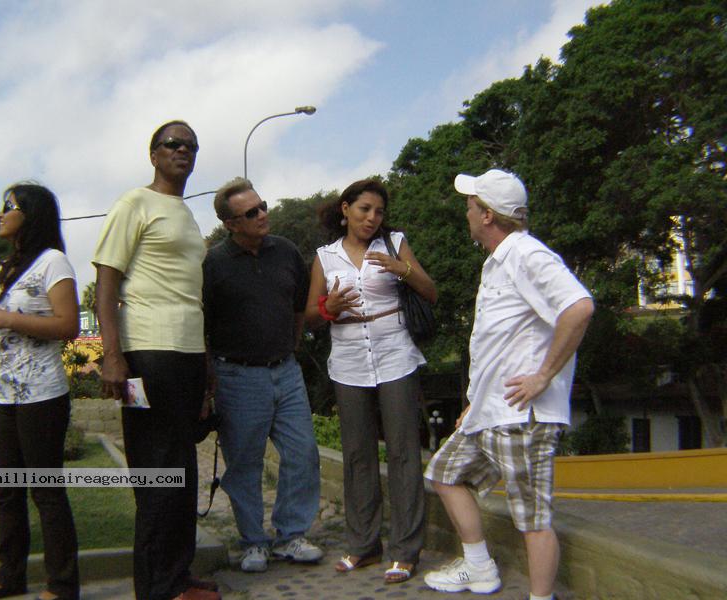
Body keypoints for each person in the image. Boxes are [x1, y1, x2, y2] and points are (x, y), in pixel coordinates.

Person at [423, 169, 594, 600]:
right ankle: (479, 568)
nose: (466, 212)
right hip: (492, 411)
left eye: (470, 205)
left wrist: (543, 376)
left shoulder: (527, 254)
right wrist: (474, 401)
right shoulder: (498, 260)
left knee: (532, 519)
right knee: (445, 473)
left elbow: (578, 308)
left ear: (487, 215)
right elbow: (500, 341)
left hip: (522, 416)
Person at [93, 121, 219, 600]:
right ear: (153, 154)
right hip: (146, 351)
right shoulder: (134, 203)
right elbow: (106, 283)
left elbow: (191, 294)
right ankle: (156, 587)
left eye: (191, 146)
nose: (183, 151)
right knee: (156, 471)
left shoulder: (185, 213)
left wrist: (206, 365)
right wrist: (112, 355)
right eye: (173, 144)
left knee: (182, 470)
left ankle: (179, 574)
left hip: (186, 355)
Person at [304, 179, 437, 584]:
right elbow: (309, 317)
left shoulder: (395, 243)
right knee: (358, 454)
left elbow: (430, 292)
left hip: (395, 354)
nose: (372, 218)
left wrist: (403, 270)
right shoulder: (325, 257)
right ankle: (363, 545)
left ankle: (405, 550)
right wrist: (329, 306)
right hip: (348, 361)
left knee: (403, 452)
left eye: (378, 211)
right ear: (346, 210)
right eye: (364, 209)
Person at [202, 177, 323, 573]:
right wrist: (209, 379)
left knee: (303, 453)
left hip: (286, 371)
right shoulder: (213, 264)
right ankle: (254, 541)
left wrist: (293, 344)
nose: (262, 215)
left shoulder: (286, 251)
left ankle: (291, 535)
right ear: (230, 224)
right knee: (244, 464)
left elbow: (299, 305)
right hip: (236, 377)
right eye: (251, 212)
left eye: (263, 206)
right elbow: (202, 325)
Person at [0, 183, 80, 600]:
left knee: (45, 491)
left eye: (9, 206)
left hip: (41, 396)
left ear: (31, 215)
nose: (0, 213)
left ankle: (62, 586)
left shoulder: (53, 262)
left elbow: (68, 325)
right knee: (7, 490)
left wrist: (9, 319)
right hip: (5, 395)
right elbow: (2, 326)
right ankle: (10, 576)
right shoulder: (6, 269)